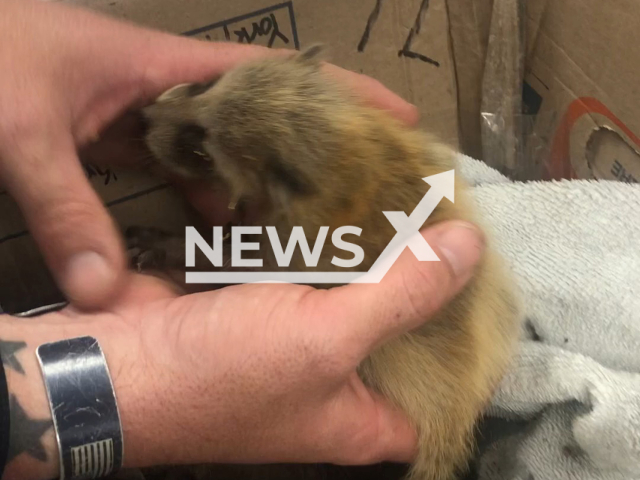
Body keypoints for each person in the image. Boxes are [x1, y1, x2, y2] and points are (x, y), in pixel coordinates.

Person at [0, 1, 485, 479]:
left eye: (197, 146)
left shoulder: (322, 229)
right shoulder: (365, 177)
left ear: (281, 187)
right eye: (204, 88)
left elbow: (283, 268)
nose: (157, 111)